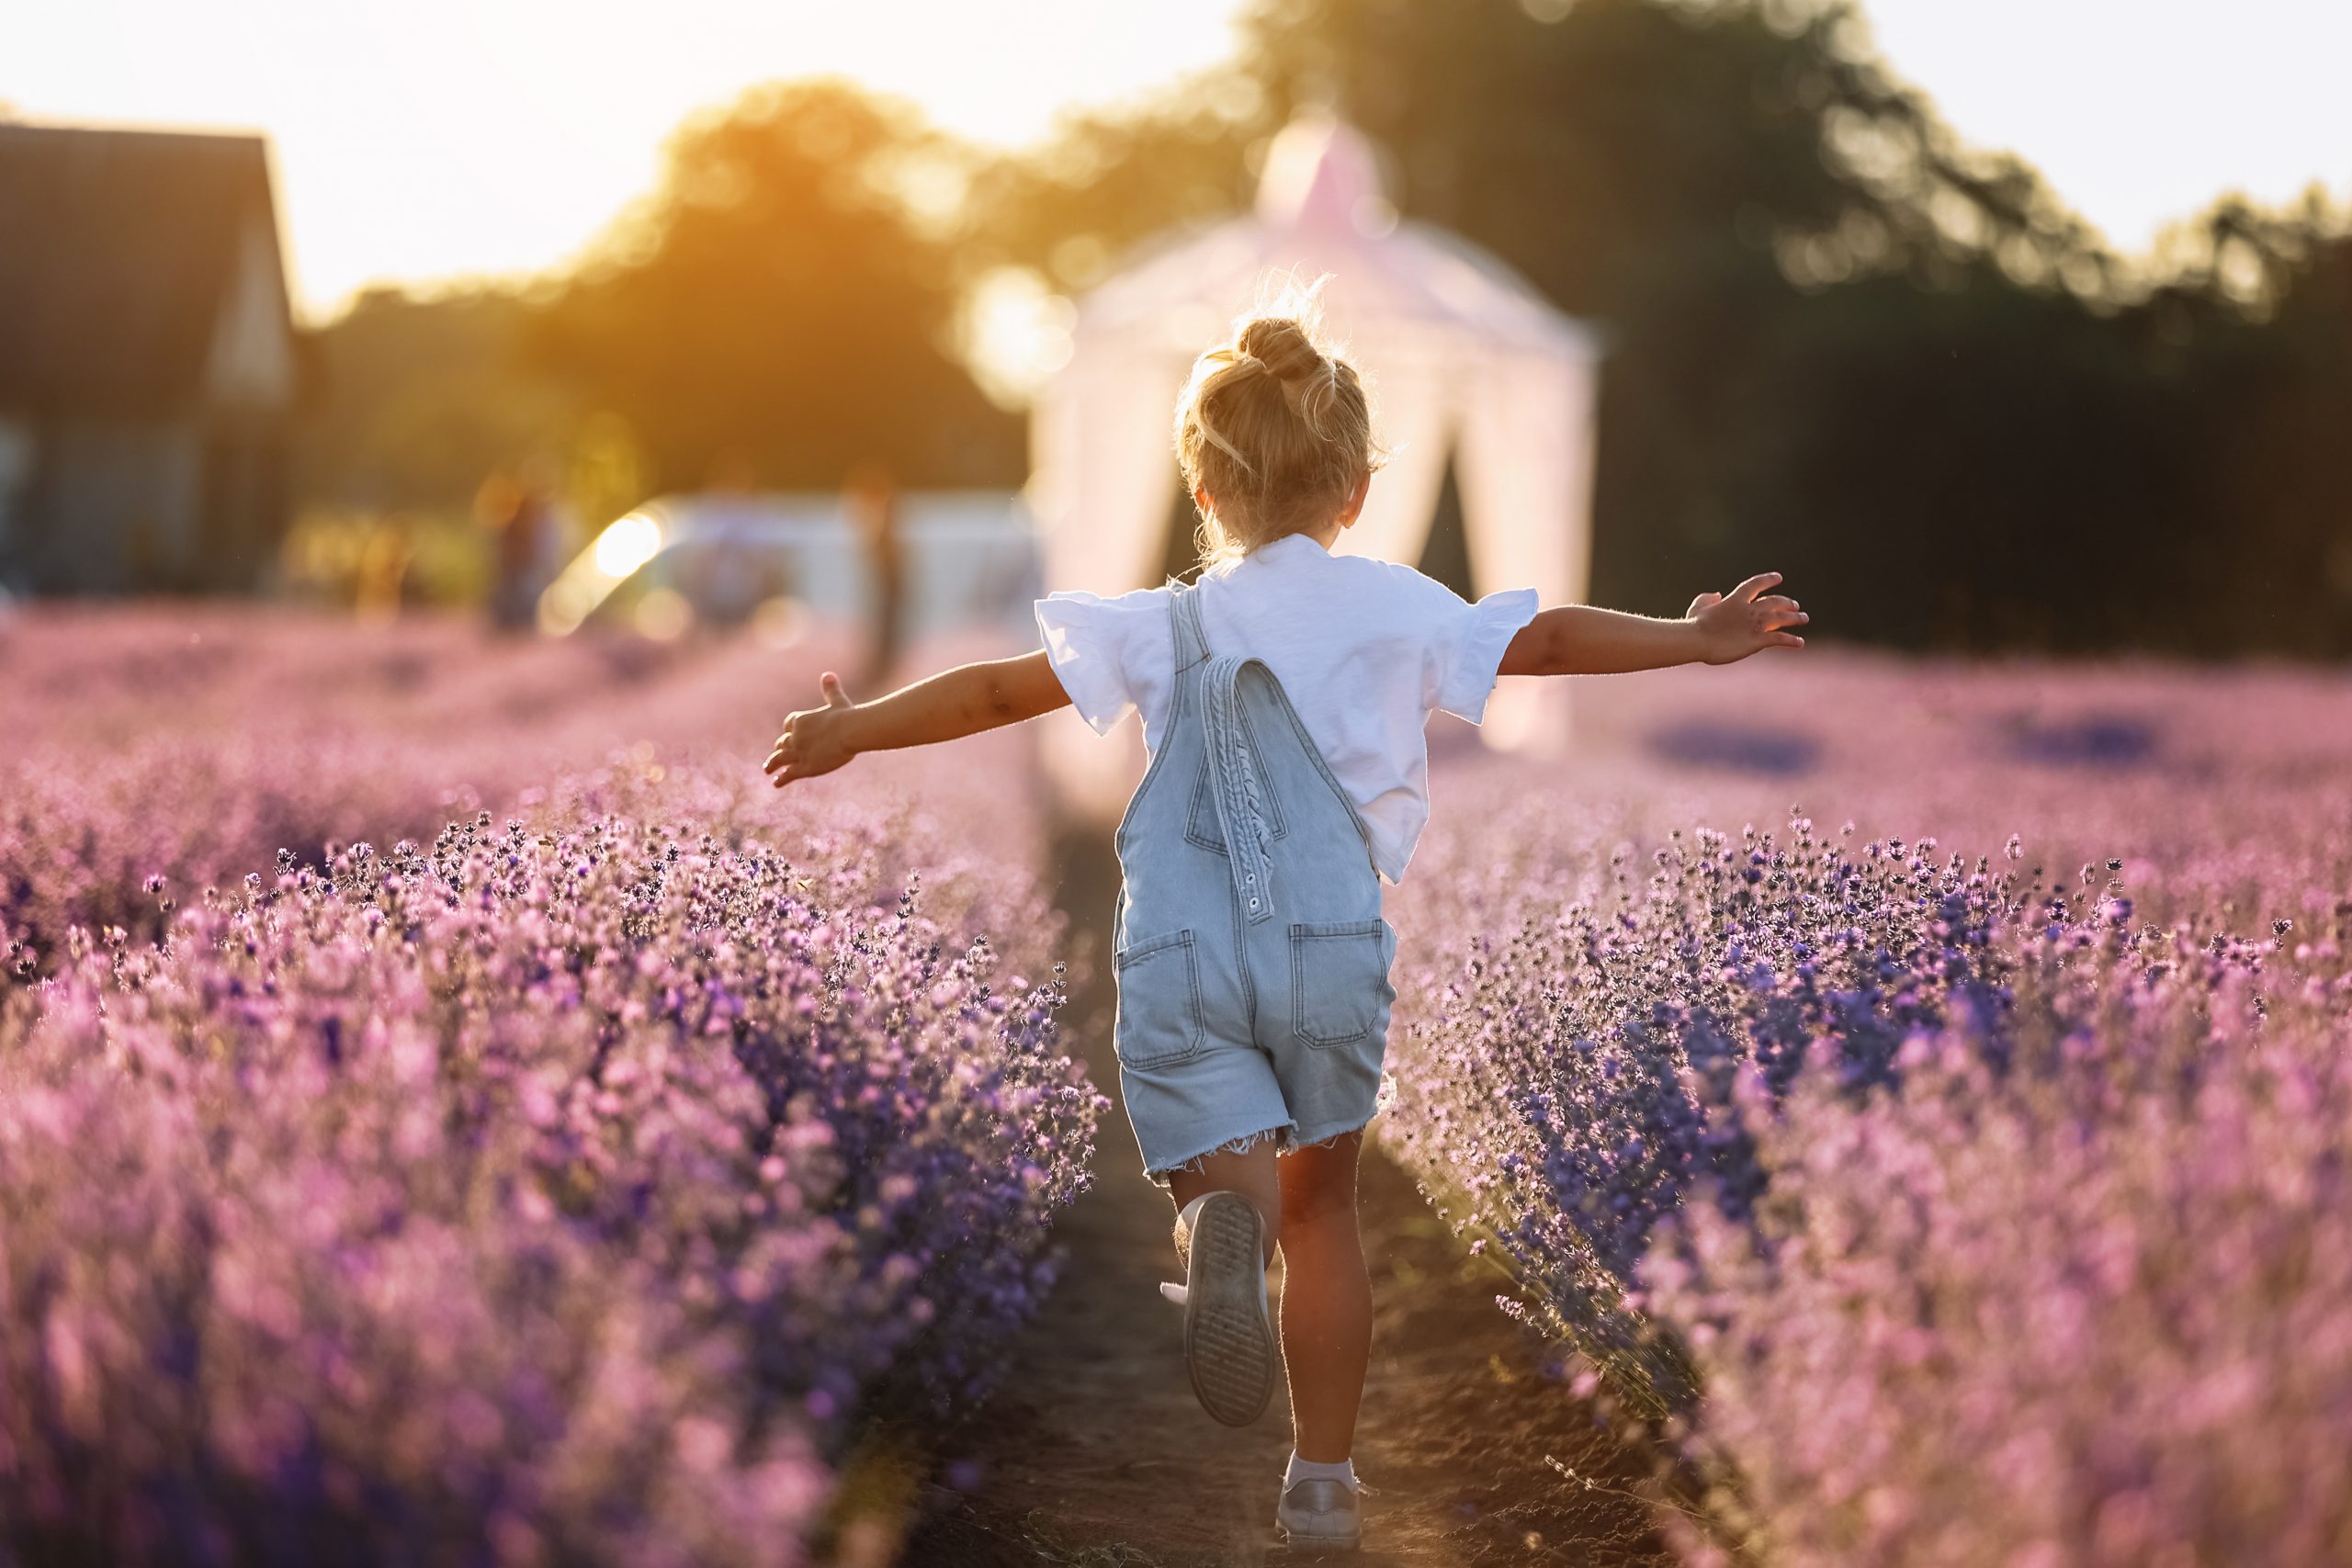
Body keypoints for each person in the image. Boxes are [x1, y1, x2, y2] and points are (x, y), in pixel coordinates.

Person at [762, 299, 1804, 1554]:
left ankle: (1216, 1220)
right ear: (1357, 491)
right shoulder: (1394, 605)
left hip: (1183, 949)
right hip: (1331, 950)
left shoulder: (1162, 621)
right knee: (1330, 1212)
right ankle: (1322, 1484)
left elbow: (994, 689)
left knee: (1225, 1159)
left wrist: (854, 726)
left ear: (1201, 486)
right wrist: (1695, 640)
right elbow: (1547, 638)